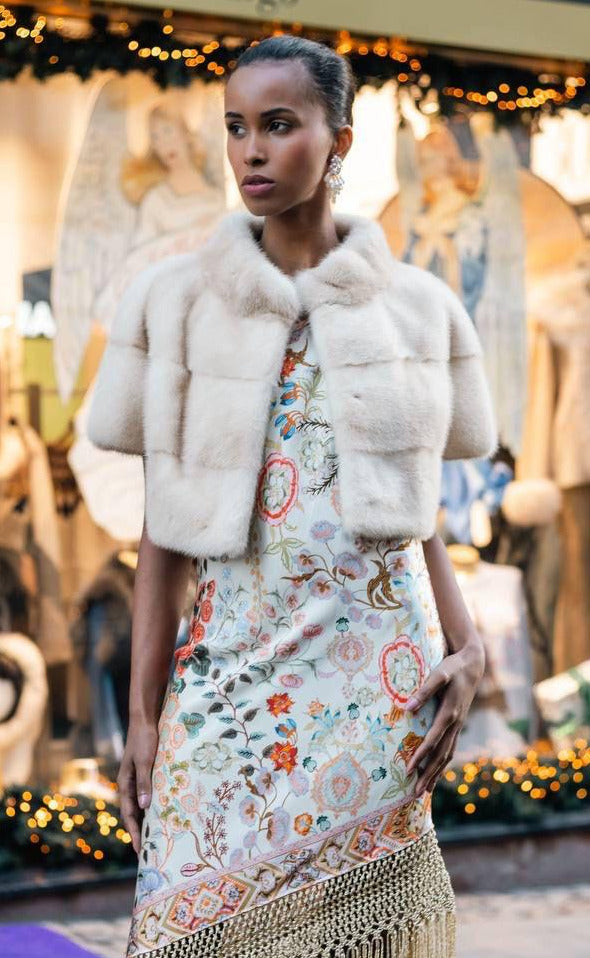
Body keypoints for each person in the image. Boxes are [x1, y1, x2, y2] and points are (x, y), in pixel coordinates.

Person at [87, 33, 496, 958]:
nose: (251, 151)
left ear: (338, 141)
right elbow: (163, 532)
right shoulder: (176, 302)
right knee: (184, 924)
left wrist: (467, 646)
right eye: (236, 127)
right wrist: (144, 718)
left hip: (374, 685)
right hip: (225, 681)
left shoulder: (416, 307)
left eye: (278, 125)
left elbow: (415, 505)